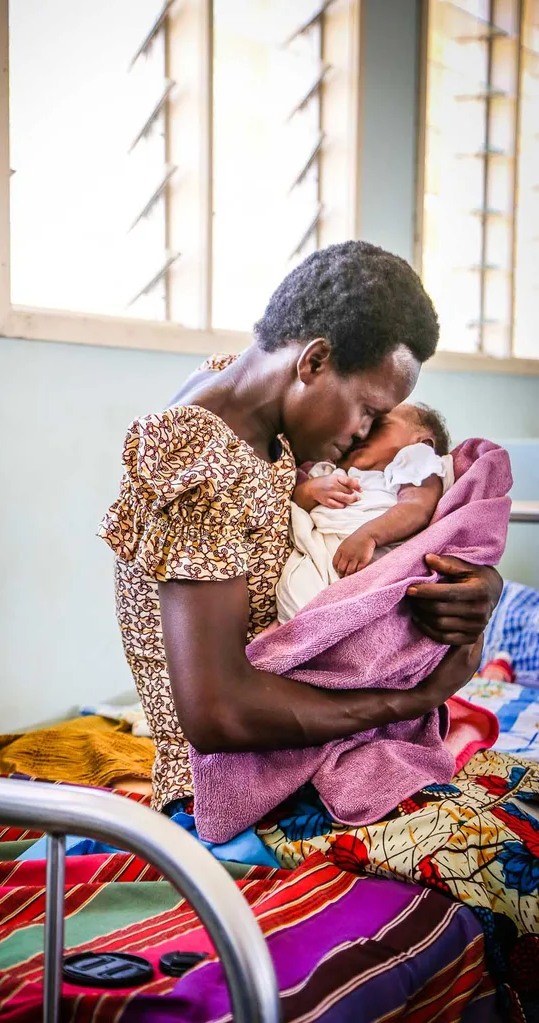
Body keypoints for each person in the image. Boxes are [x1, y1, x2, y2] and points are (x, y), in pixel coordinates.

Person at [99, 242, 501, 812]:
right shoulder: (201, 461)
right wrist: (409, 701)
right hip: (236, 781)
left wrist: (478, 584)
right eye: (369, 411)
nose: (364, 435)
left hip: (313, 743)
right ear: (313, 362)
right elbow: (217, 715)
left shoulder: (262, 405)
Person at [276, 402, 453, 621]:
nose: (362, 432)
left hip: (374, 559)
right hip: (319, 555)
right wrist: (311, 491)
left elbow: (417, 507)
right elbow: (292, 508)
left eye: (377, 425)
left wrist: (370, 535)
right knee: (292, 593)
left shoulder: (415, 460)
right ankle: (305, 634)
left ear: (422, 443)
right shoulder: (331, 472)